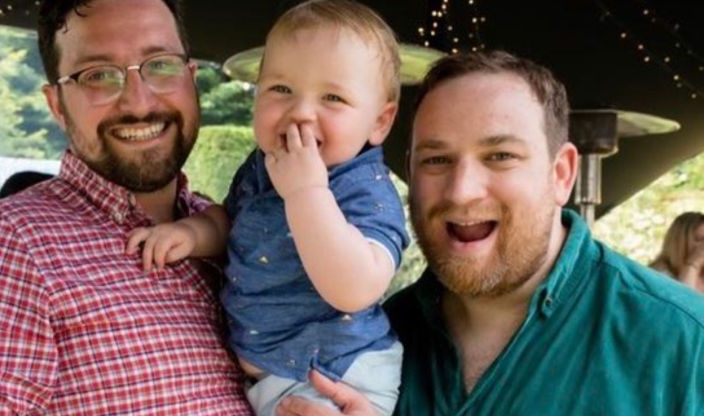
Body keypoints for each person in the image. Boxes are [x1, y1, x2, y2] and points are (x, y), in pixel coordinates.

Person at [277, 50, 704, 415]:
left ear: (561, 174)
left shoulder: (685, 342)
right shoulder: (371, 337)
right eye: (436, 160)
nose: (462, 191)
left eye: (500, 156)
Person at [0, 0, 252, 414]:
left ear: (191, 79)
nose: (139, 103)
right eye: (98, 75)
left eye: (161, 65)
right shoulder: (1, 251)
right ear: (57, 105)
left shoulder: (243, 229)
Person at [128, 1, 408, 415]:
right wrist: (191, 233)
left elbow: (356, 288)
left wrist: (306, 193)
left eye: (333, 97)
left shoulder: (364, 188)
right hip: (279, 377)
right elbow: (234, 223)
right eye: (281, 89)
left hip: (339, 377)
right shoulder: (264, 164)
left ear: (379, 122)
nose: (301, 112)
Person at [650, 211, 704, 293]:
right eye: (700, 240)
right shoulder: (658, 275)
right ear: (679, 243)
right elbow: (683, 299)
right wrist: (692, 265)